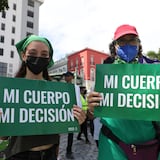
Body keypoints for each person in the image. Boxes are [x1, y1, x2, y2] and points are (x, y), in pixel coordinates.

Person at [0, 35, 86, 160]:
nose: (38, 57)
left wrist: (77, 119)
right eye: (33, 53)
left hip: (50, 154)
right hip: (19, 155)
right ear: (24, 56)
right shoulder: (10, 91)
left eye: (44, 54)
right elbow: (3, 137)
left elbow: (61, 125)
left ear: (49, 58)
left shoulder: (58, 92)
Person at [87, 24, 160, 160]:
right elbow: (92, 115)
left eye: (132, 40)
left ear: (138, 44)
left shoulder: (153, 74)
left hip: (149, 147)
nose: (127, 45)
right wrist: (91, 110)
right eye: (122, 41)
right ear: (115, 46)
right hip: (113, 146)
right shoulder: (104, 76)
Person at [63, 71, 75, 159]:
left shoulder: (74, 88)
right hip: (62, 111)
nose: (65, 77)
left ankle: (69, 150)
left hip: (71, 112)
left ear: (71, 77)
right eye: (65, 76)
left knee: (70, 133)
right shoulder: (61, 87)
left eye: (67, 76)